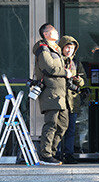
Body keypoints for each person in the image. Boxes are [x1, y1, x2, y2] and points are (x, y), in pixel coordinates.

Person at [32, 23, 73, 165]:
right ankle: (45, 155)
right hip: (50, 92)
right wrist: (65, 72)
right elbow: (48, 68)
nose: (57, 33)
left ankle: (52, 152)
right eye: (54, 31)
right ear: (46, 34)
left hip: (61, 94)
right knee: (51, 123)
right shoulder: (43, 49)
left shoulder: (55, 49)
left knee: (62, 125)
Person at [57, 35, 86, 164]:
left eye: (72, 48)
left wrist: (77, 80)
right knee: (58, 128)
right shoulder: (57, 60)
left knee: (71, 130)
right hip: (60, 100)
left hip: (73, 101)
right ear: (62, 47)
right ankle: (56, 153)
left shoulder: (76, 62)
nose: (69, 50)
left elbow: (83, 81)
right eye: (67, 47)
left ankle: (69, 154)